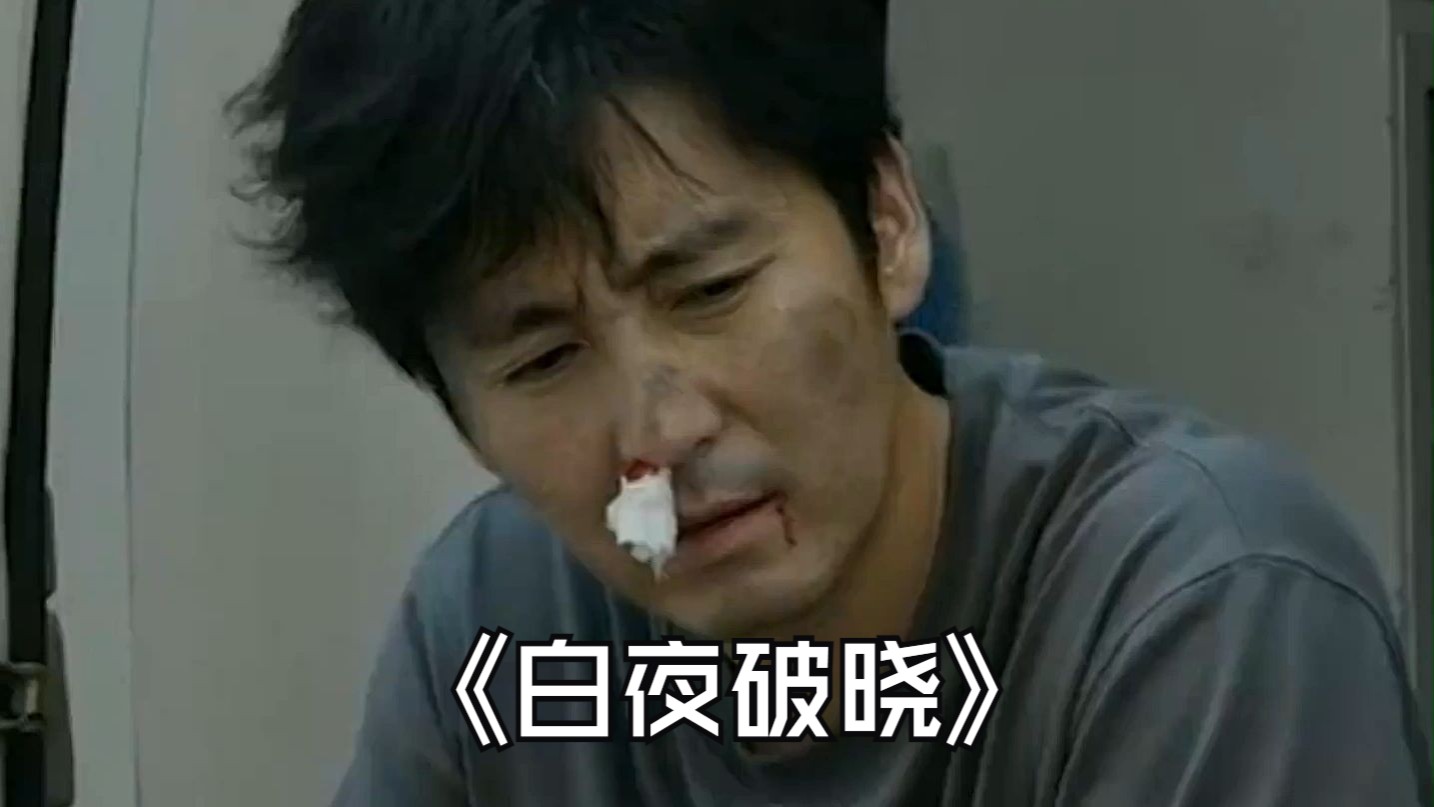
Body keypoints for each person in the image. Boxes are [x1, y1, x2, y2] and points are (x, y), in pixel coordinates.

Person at [228, 1, 1430, 804]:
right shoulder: (498, 632)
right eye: (544, 361)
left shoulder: (1200, 607)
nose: (658, 436)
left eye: (710, 289)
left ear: (887, 223)